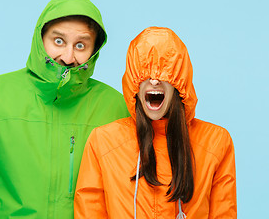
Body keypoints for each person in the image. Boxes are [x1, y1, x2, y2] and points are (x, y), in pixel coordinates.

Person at [0, 0, 129, 218]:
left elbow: (132, 194)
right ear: (40, 39)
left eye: (80, 45)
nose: (67, 56)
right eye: (58, 41)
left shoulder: (116, 108)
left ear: (94, 49)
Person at [74, 27, 237, 218]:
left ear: (178, 80)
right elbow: (89, 210)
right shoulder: (104, 141)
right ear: (134, 82)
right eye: (145, 72)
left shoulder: (215, 142)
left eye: (164, 71)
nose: (154, 81)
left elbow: (223, 213)